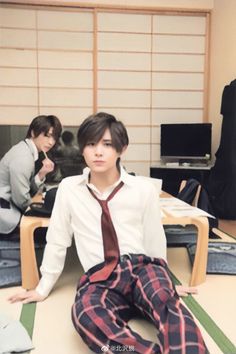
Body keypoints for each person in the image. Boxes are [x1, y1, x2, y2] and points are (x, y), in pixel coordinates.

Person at [9, 112, 207, 353]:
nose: (98, 152)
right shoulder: (69, 190)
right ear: (82, 149)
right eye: (91, 144)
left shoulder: (142, 189)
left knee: (168, 303)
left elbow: (155, 237)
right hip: (99, 276)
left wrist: (166, 280)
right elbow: (57, 240)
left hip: (141, 267)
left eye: (107, 144)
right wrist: (42, 288)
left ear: (122, 148)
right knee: (86, 315)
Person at [0, 115, 62, 235]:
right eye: (46, 135)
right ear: (33, 133)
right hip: (5, 213)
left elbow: (26, 190)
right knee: (47, 228)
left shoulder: (25, 149)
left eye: (54, 138)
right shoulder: (23, 157)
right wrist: (42, 209)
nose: (51, 142)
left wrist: (41, 173)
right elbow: (21, 200)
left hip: (10, 206)